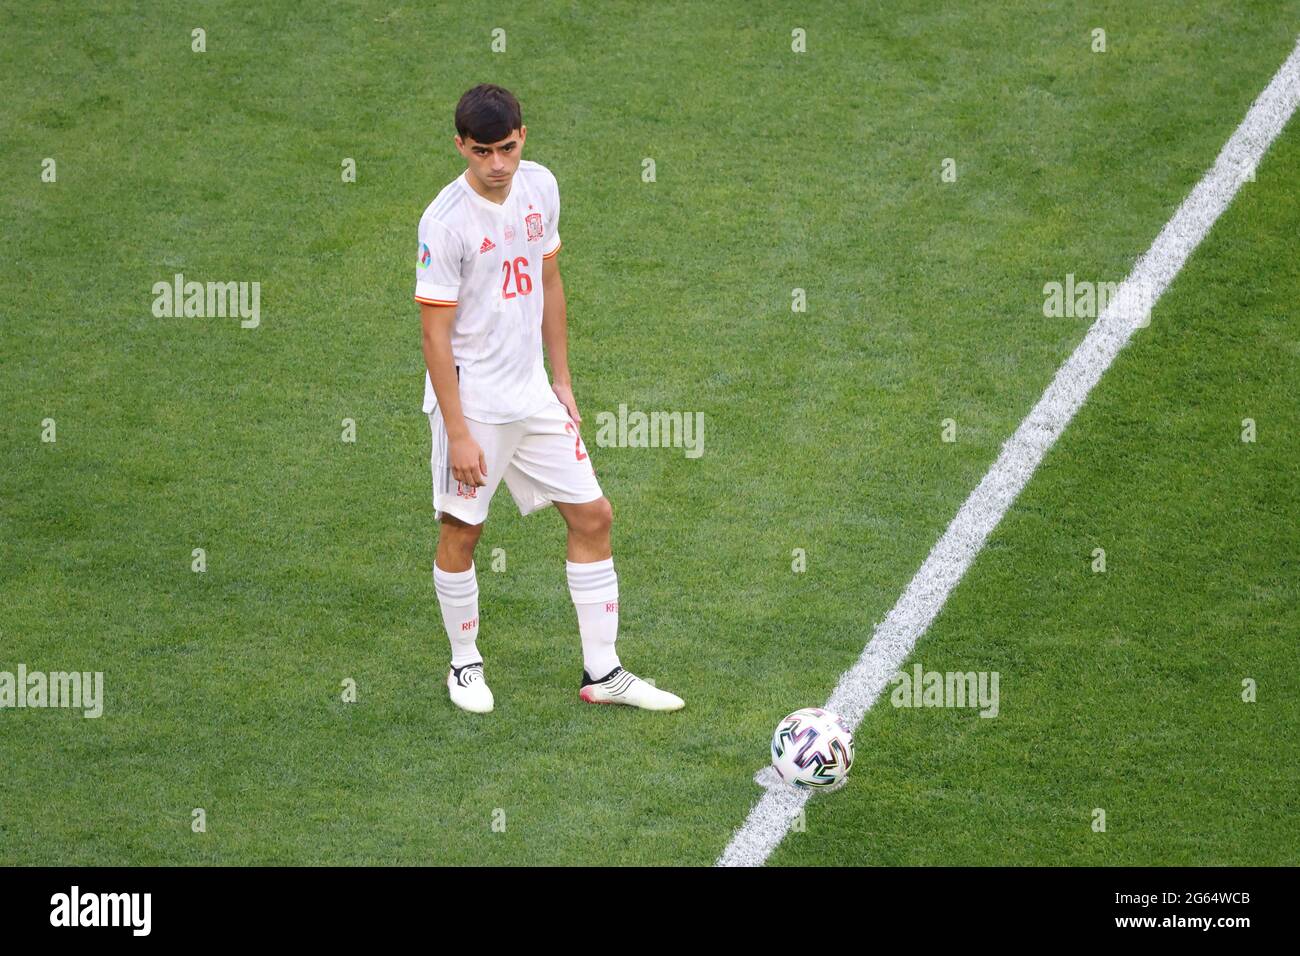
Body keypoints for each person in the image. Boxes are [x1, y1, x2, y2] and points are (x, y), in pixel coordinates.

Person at [415, 84, 685, 715]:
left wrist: (561, 379)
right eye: (482, 151)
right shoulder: (445, 221)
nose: (498, 164)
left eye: (507, 147)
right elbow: (433, 332)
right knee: (463, 530)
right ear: (461, 146)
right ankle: (464, 663)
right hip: (474, 404)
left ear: (523, 137)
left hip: (533, 395)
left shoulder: (541, 187)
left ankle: (605, 672)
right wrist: (457, 431)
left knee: (594, 516)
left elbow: (550, 280)